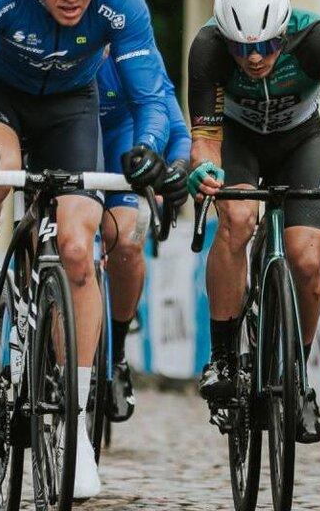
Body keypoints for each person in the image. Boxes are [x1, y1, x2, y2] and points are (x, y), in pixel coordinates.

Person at [0, 0, 181, 499]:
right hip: (1, 96)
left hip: (72, 105)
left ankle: (76, 427)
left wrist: (149, 147)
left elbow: (152, 96)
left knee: (76, 246)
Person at [183, 0, 320, 445]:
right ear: (224, 38)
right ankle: (224, 356)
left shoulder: (318, 39)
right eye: (242, 48)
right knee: (236, 218)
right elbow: (205, 138)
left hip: (300, 142)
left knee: (307, 260)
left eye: (267, 45)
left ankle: (298, 378)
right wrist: (206, 170)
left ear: (285, 29)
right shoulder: (208, 47)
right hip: (240, 144)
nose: (255, 58)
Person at [93, 54, 192, 423]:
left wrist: (177, 168)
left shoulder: (132, 49)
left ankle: (116, 354)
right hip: (61, 136)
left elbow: (179, 132)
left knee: (127, 238)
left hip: (120, 146)